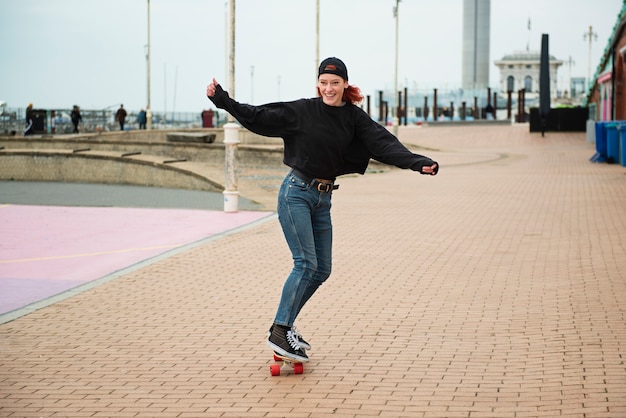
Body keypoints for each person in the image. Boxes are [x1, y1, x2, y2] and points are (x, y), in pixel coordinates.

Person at [206, 57, 439, 363]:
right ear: (318, 84)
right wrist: (222, 100)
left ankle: (284, 325)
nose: (329, 89)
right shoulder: (304, 110)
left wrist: (416, 162)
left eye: (335, 83)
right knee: (304, 264)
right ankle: (280, 329)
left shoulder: (354, 119)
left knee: (322, 269)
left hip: (322, 199)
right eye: (324, 83)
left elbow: (383, 143)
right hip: (296, 194)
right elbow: (261, 116)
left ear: (345, 85)